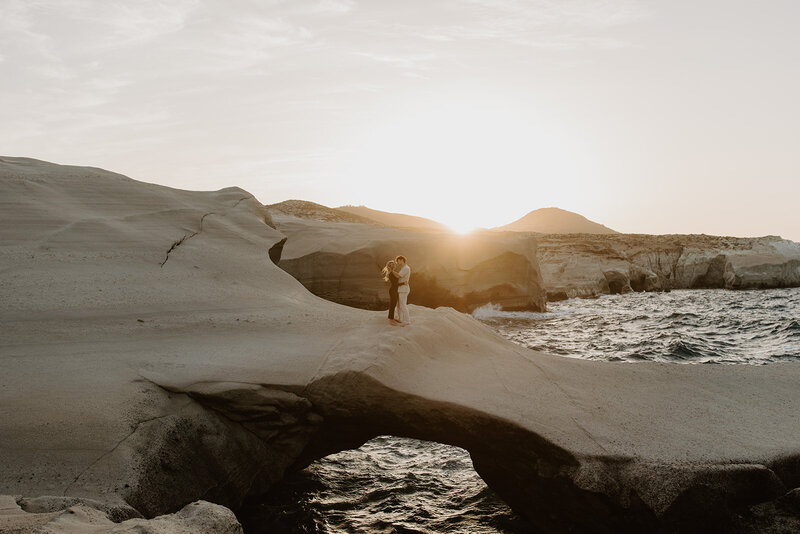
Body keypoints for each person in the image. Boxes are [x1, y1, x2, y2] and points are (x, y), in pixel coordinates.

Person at [381, 260, 402, 326]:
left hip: (394, 290)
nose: (395, 265)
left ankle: (392, 318)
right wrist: (403, 283)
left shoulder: (392, 272)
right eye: (393, 265)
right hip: (393, 290)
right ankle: (391, 320)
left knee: (394, 304)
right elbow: (396, 283)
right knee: (392, 305)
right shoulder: (391, 273)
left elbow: (398, 277)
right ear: (392, 266)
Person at [395, 255, 411, 325]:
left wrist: (391, 271)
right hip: (401, 288)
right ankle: (400, 319)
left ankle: (407, 321)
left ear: (402, 260)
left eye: (398, 261)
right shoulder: (403, 268)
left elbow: (398, 276)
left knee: (403, 305)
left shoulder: (406, 268)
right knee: (398, 305)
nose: (397, 263)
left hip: (404, 289)